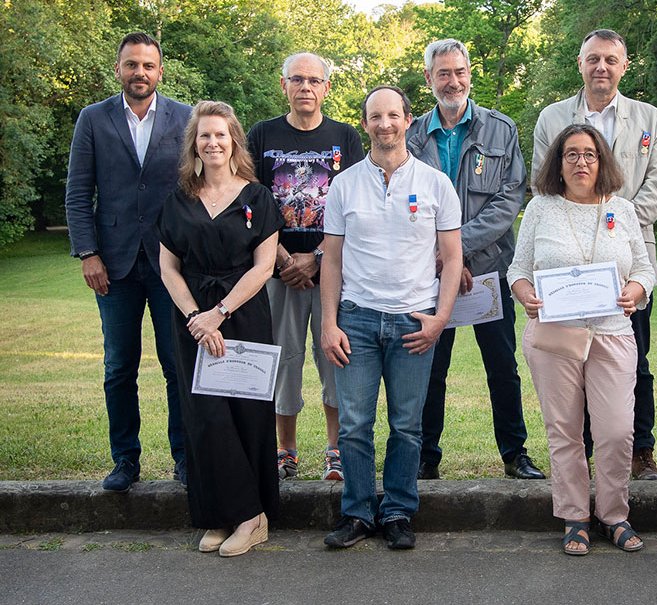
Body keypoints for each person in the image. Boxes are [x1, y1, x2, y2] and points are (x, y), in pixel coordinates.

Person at [321, 86, 462, 551]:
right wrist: (328, 323)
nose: (385, 124)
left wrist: (440, 319)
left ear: (407, 121)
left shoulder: (436, 183)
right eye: (375, 117)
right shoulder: (343, 185)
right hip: (356, 321)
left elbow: (453, 258)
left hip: (413, 322)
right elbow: (332, 262)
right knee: (355, 424)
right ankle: (357, 513)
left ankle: (399, 510)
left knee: (406, 424)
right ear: (365, 124)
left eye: (393, 115)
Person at [532, 29, 657, 480]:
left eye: (611, 60)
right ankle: (586, 451)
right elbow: (542, 180)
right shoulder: (553, 118)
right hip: (565, 256)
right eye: (593, 59)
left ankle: (639, 451)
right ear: (580, 63)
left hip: (625, 258)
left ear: (624, 66)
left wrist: (617, 217)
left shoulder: (648, 118)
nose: (601, 68)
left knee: (635, 359)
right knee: (572, 356)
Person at [509, 124, 657, 555]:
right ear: (558, 162)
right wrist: (525, 295)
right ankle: (574, 515)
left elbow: (646, 270)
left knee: (615, 431)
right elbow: (517, 270)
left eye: (589, 154)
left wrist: (636, 290)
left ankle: (614, 513)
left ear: (602, 160)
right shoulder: (540, 208)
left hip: (612, 334)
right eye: (571, 154)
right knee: (565, 431)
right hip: (554, 336)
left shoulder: (623, 210)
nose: (580, 162)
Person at [406, 39, 544, 481]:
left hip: (489, 271)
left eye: (460, 71)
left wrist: (456, 252)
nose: (453, 81)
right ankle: (426, 456)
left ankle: (514, 454)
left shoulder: (501, 130)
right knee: (430, 367)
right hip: (427, 274)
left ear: (470, 74)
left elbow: (508, 202)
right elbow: (405, 207)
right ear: (429, 78)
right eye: (443, 73)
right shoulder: (410, 135)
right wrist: (444, 258)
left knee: (502, 367)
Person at [155, 100, 284, 557]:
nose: (212, 142)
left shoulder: (258, 197)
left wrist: (219, 314)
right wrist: (195, 317)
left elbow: (265, 265)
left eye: (220, 135)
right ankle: (219, 514)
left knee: (245, 416)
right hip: (192, 322)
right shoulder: (179, 200)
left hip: (243, 314)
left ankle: (253, 518)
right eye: (204, 135)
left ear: (234, 142)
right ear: (195, 143)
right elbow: (168, 267)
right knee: (205, 418)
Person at [64, 32, 192, 492]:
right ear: (118, 68)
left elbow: (196, 189)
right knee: (119, 367)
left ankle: (185, 459)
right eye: (131, 65)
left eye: (148, 66)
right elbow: (78, 193)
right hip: (112, 266)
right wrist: (87, 252)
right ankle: (125, 460)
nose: (140, 73)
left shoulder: (185, 117)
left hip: (171, 265)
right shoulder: (92, 119)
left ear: (160, 71)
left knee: (177, 365)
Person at [246, 52, 365, 482]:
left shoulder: (346, 138)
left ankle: (335, 450)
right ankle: (286, 450)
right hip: (275, 269)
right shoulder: (261, 135)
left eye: (315, 80)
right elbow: (252, 202)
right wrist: (281, 259)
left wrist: (315, 259)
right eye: (297, 79)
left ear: (327, 88)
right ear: (284, 85)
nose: (306, 88)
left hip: (332, 269)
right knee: (284, 359)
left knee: (333, 355)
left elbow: (356, 207)